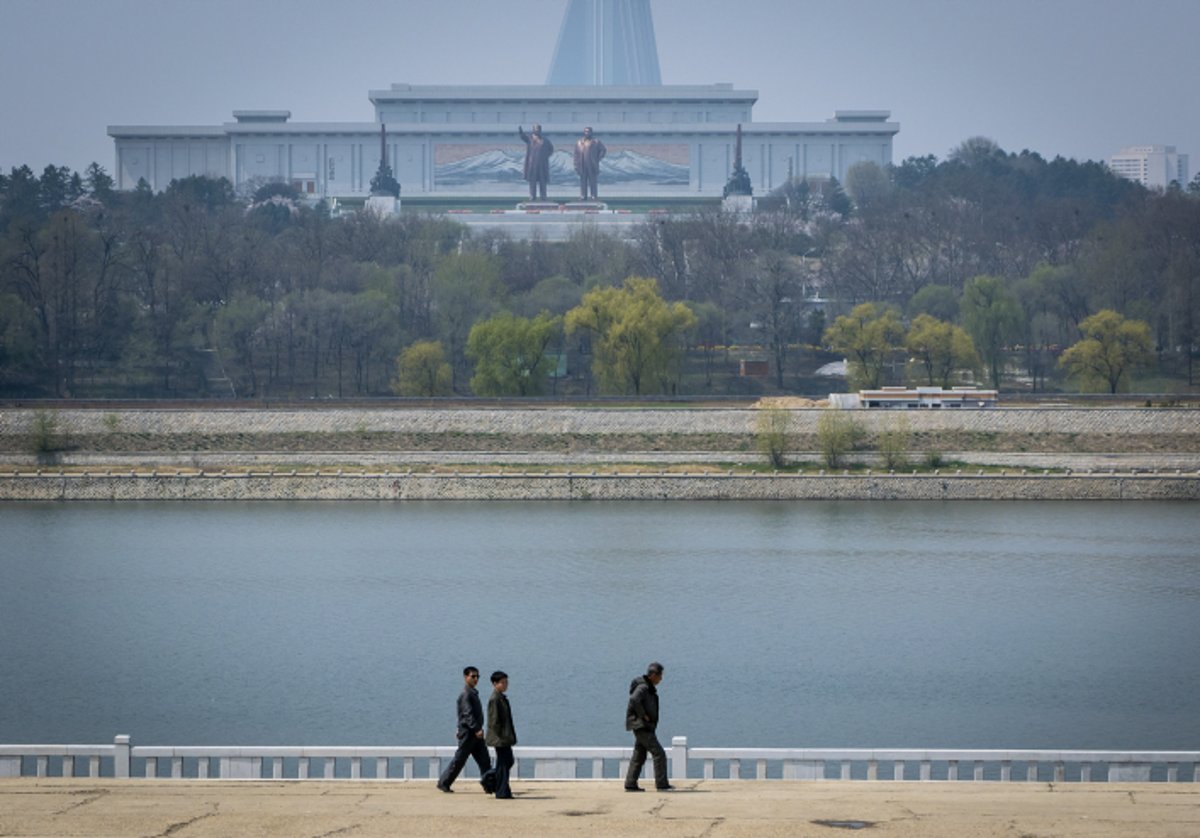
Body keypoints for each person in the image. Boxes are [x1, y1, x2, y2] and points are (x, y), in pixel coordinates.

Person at [437, 666, 492, 793]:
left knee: (485, 760)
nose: (476, 679)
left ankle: (490, 785)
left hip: (475, 734)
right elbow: (467, 714)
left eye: (478, 676)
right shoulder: (466, 694)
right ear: (465, 677)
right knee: (460, 760)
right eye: (473, 676)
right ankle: (444, 782)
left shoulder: (472, 692)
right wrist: (477, 729)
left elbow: (462, 714)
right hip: (469, 734)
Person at [624, 661, 673, 791]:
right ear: (653, 675)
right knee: (659, 754)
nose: (661, 679)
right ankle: (662, 785)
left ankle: (630, 783)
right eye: (660, 676)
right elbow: (634, 699)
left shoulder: (648, 687)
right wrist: (643, 715)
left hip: (642, 726)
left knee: (639, 755)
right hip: (641, 726)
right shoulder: (643, 687)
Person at [485, 670, 517, 799]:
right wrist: (502, 735)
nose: (505, 685)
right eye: (503, 683)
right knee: (504, 763)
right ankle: (501, 790)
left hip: (504, 737)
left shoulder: (501, 698)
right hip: (500, 739)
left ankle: (498, 785)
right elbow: (494, 722)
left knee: (507, 761)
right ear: (495, 683)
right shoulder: (495, 699)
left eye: (506, 682)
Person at [518, 124, 554, 201]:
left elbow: (551, 149)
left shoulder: (546, 140)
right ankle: (532, 196)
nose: (537, 130)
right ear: (533, 130)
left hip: (542, 165)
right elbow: (523, 138)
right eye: (535, 129)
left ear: (540, 130)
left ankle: (543, 196)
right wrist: (521, 132)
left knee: (542, 182)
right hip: (532, 164)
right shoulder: (529, 139)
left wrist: (545, 156)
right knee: (532, 182)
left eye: (538, 129)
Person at [573, 126, 606, 200]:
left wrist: (597, 158)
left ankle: (593, 195)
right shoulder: (579, 142)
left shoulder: (596, 141)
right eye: (585, 131)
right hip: (582, 165)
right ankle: (583, 195)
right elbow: (576, 155)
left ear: (591, 132)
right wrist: (576, 164)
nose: (586, 133)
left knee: (593, 181)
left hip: (592, 165)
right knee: (583, 181)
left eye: (588, 131)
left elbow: (603, 150)